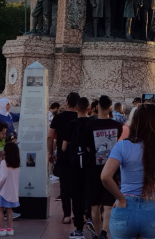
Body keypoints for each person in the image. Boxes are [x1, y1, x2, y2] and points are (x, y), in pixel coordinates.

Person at [99, 94, 155, 239]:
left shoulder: (123, 146)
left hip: (126, 207)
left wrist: (120, 199)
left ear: (135, 122)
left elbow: (105, 176)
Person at [76, 95, 123, 238]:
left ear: (97, 107)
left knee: (94, 205)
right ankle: (104, 232)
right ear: (110, 107)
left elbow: (88, 147)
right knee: (108, 203)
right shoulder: (117, 126)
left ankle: (96, 234)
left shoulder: (90, 125)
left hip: (93, 168)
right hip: (111, 168)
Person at [48, 92, 80, 226]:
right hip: (79, 156)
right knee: (79, 186)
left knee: (64, 186)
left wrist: (50, 152)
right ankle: (79, 215)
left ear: (66, 103)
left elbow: (50, 137)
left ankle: (67, 215)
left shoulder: (58, 117)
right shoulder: (82, 117)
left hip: (63, 155)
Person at [65, 97, 91, 239]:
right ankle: (93, 221)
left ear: (76, 108)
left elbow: (64, 145)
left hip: (75, 164)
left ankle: (79, 228)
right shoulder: (92, 122)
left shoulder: (71, 124)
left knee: (76, 196)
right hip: (89, 163)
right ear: (89, 109)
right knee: (91, 193)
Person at [0, 142, 21, 237]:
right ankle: (10, 229)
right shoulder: (16, 165)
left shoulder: (3, 163)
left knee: (0, 210)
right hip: (13, 192)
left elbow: (3, 177)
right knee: (9, 210)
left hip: (4, 191)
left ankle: (1, 229)